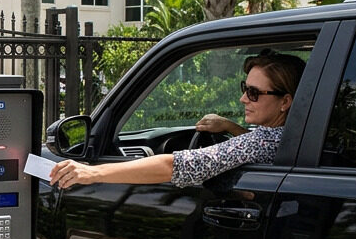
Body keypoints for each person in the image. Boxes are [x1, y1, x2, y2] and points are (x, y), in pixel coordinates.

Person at [50, 51, 307, 189]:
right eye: (244, 87)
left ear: (285, 101)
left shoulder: (262, 140)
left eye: (253, 92)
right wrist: (229, 127)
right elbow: (255, 145)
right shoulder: (295, 136)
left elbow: (176, 166)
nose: (242, 99)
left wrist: (92, 172)